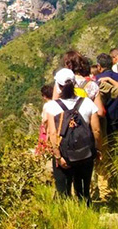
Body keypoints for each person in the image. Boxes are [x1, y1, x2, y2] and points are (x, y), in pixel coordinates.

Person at [44, 68, 102, 205]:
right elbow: (96, 130)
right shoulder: (87, 103)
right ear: (75, 83)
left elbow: (52, 133)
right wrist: (98, 150)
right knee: (84, 190)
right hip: (85, 154)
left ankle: (68, 219)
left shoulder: (52, 107)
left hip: (64, 155)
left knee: (63, 192)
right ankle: (86, 214)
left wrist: (58, 157)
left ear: (57, 86)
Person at [94, 53, 118, 202]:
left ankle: (103, 190)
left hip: (103, 123)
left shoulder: (95, 82)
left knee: (103, 157)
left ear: (99, 67)